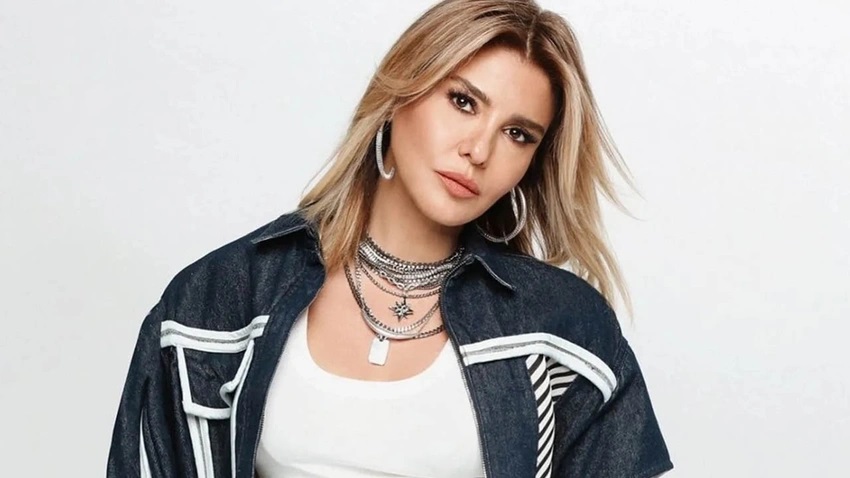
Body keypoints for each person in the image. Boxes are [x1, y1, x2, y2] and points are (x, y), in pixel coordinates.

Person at [107, 0, 673, 477]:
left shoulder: (565, 329)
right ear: (400, 92)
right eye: (463, 102)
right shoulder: (217, 300)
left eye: (517, 133)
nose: (479, 150)